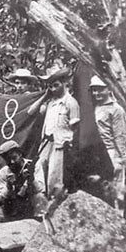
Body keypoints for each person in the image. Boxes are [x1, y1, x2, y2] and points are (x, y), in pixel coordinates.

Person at [28, 67, 80, 196]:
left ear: (64, 83)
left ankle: (53, 207)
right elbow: (30, 111)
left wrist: (69, 146)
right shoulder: (50, 103)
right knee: (39, 172)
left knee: (54, 177)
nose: (53, 89)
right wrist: (45, 95)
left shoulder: (71, 102)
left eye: (56, 85)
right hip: (46, 143)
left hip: (60, 145)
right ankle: (41, 206)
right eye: (50, 86)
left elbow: (75, 128)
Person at [0, 140, 46, 225]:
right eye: (7, 159)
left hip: (30, 206)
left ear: (20, 154)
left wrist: (31, 180)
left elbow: (41, 190)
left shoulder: (34, 166)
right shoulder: (3, 172)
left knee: (40, 197)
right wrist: (9, 187)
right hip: (12, 207)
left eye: (14, 157)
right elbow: (0, 198)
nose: (12, 162)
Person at [89, 75, 126, 213]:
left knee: (116, 191)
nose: (96, 93)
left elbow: (120, 136)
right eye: (94, 90)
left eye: (100, 89)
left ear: (108, 88)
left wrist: (119, 159)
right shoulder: (94, 107)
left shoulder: (116, 109)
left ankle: (118, 223)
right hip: (97, 153)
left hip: (112, 152)